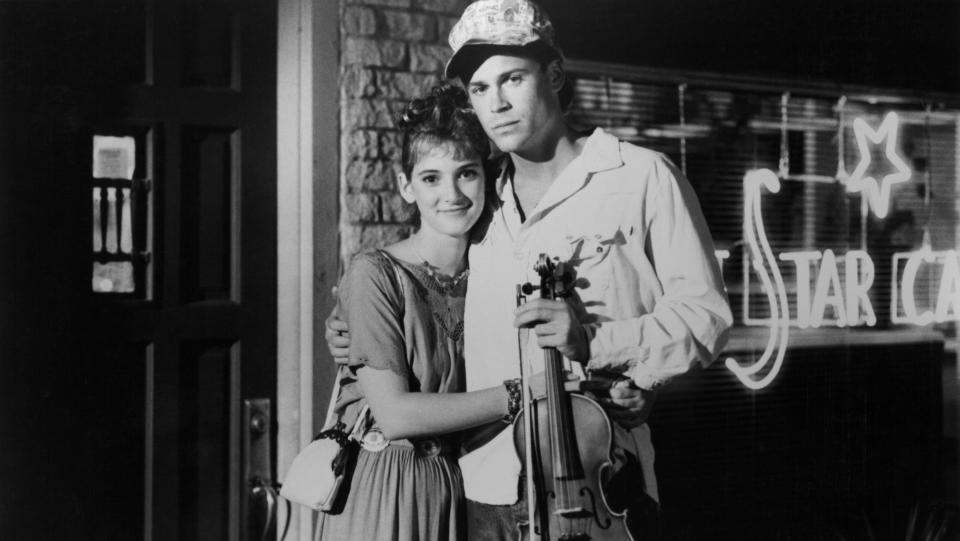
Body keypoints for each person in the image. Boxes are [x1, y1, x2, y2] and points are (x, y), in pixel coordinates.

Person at [327, 1, 734, 539]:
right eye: (479, 89)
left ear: (555, 75)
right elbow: (427, 285)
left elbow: (706, 316)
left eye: (513, 78)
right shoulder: (478, 195)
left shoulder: (641, 177)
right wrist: (354, 328)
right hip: (482, 486)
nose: (496, 104)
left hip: (595, 482)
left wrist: (600, 345)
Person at [315, 84, 541, 541]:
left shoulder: (492, 272)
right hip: (389, 489)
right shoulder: (374, 273)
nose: (452, 193)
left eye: (467, 173)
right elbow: (396, 414)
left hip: (462, 489)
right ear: (406, 186)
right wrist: (522, 395)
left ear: (487, 177)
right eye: (431, 178)